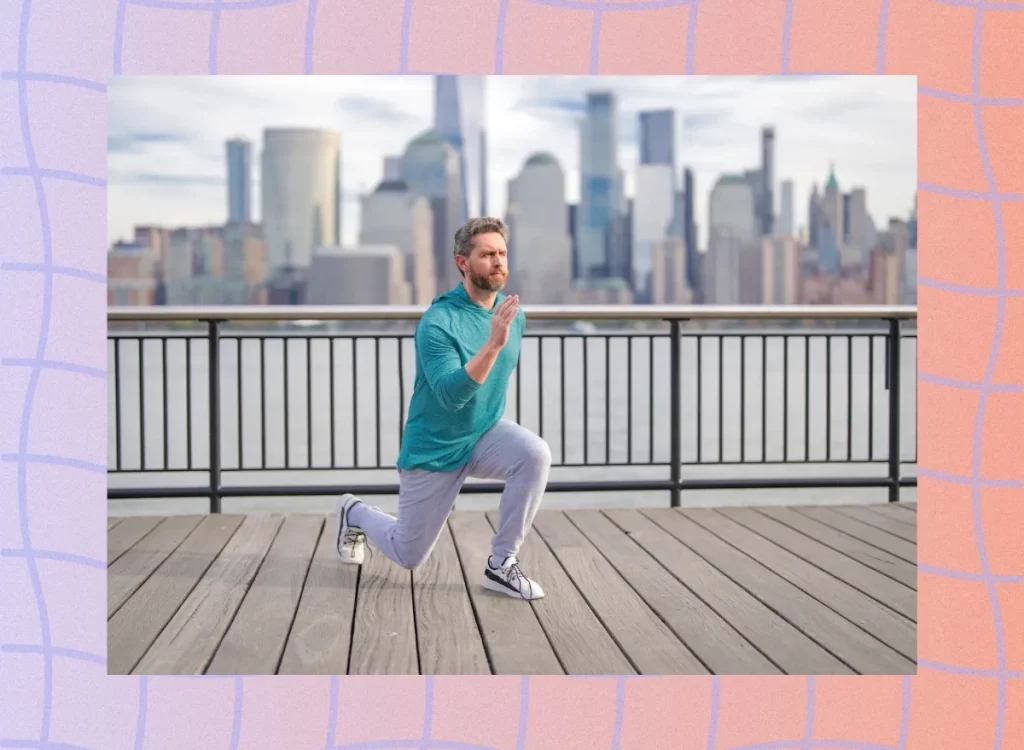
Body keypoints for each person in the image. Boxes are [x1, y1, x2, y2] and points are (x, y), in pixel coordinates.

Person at [334, 217, 551, 600]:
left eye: (501, 253)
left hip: (482, 434)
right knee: (408, 554)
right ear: (462, 263)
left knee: (534, 453)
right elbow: (452, 396)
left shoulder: (512, 315)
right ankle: (354, 512)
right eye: (486, 255)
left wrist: (499, 336)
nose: (498, 262)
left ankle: (502, 565)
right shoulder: (438, 322)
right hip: (434, 449)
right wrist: (493, 344)